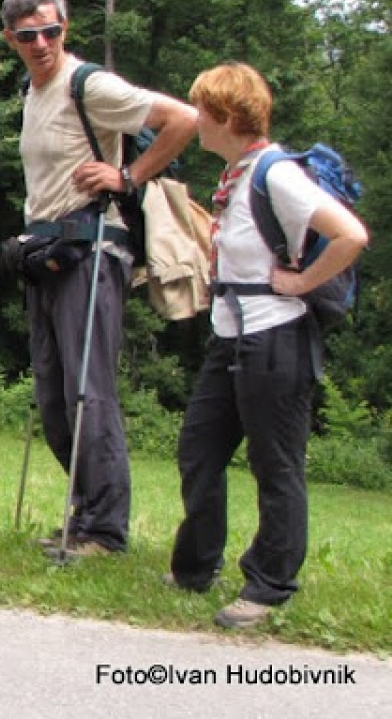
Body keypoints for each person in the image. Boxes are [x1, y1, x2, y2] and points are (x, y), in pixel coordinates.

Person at [1, 0, 196, 557]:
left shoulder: (89, 83)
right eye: (29, 34)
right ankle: (86, 514)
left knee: (90, 393)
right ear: (9, 37)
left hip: (92, 251)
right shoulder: (33, 92)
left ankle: (106, 532)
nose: (41, 43)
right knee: (55, 398)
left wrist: (128, 177)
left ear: (66, 28)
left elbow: (182, 119)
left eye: (52, 31)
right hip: (48, 254)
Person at [170, 63, 367, 630]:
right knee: (198, 450)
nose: (197, 121)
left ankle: (269, 585)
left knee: (275, 463)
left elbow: (350, 235)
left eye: (203, 111)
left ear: (228, 117)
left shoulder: (275, 173)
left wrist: (301, 282)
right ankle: (194, 567)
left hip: (276, 335)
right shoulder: (239, 173)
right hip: (231, 337)